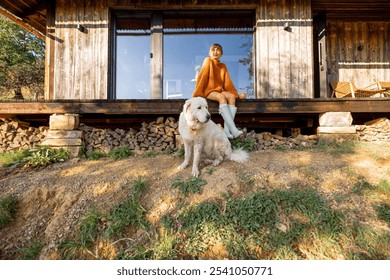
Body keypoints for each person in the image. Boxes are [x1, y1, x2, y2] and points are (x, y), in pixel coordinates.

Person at [192, 43, 243, 139]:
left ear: (221, 53)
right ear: (210, 52)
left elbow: (228, 82)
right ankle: (234, 130)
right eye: (213, 50)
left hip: (218, 90)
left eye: (218, 50)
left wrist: (236, 94)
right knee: (221, 97)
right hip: (208, 90)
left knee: (231, 97)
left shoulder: (223, 66)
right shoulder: (208, 61)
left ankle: (227, 132)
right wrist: (198, 93)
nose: (215, 52)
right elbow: (202, 77)